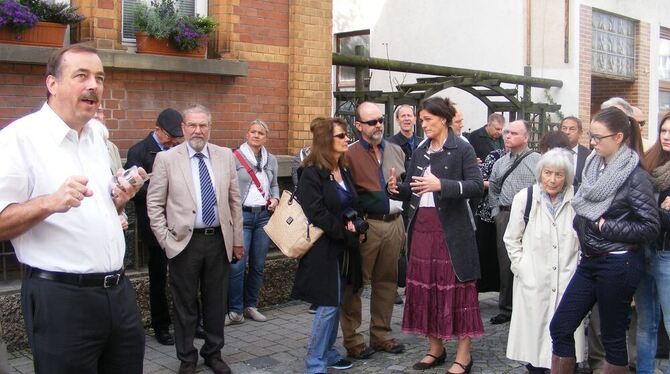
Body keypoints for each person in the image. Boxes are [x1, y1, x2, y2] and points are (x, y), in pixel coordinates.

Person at [0, 44, 147, 373]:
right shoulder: (18, 139)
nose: (93, 85)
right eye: (81, 75)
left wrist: (117, 200)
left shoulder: (95, 135)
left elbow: (89, 208)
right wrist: (50, 202)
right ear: (52, 84)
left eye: (99, 77)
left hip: (118, 293)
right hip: (61, 299)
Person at [549, 107, 660, 374]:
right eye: (592, 135)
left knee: (612, 338)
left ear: (619, 137)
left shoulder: (635, 177)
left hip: (618, 263)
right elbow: (584, 207)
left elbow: (650, 226)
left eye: (599, 137)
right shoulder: (592, 168)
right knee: (561, 326)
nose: (592, 142)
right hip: (590, 260)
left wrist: (607, 226)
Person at [387, 96, 484, 374]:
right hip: (422, 228)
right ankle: (435, 349)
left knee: (458, 291)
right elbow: (413, 188)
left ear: (443, 118)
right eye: (421, 120)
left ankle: (464, 356)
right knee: (424, 288)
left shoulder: (462, 148)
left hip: (452, 231)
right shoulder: (420, 149)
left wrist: (442, 184)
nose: (423, 124)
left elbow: (477, 186)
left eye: (428, 119)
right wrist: (396, 189)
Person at [147, 104, 244, 374]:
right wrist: (166, 239)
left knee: (216, 302)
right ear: (184, 128)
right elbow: (153, 204)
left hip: (217, 241)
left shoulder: (225, 156)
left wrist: (237, 240)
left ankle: (213, 353)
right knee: (185, 304)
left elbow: (234, 201)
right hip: (183, 244)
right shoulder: (167, 159)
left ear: (210, 128)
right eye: (192, 125)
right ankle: (187, 357)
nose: (198, 130)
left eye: (203, 125)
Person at [504, 148, 584, 373]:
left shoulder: (577, 200)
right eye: (548, 173)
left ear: (566, 176)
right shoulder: (525, 198)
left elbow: (584, 242)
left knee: (566, 343)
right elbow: (511, 239)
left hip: (568, 280)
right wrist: (522, 268)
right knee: (535, 342)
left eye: (559, 174)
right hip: (534, 281)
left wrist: (578, 272)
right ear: (540, 173)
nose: (552, 179)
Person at [292, 117, 362, 374]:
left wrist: (354, 220)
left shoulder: (342, 169)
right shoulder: (310, 173)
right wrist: (345, 233)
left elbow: (349, 203)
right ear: (325, 141)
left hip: (343, 248)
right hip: (323, 249)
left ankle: (329, 352)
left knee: (338, 302)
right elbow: (317, 213)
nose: (347, 140)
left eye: (346, 135)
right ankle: (315, 362)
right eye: (341, 136)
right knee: (327, 305)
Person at [341, 101, 406, 359]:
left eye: (380, 120)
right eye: (371, 122)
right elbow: (344, 193)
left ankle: (381, 334)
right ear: (358, 126)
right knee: (356, 285)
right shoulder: (348, 154)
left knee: (388, 283)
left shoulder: (396, 150)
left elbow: (406, 186)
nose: (378, 125)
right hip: (367, 226)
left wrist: (400, 190)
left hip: (394, 224)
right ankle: (353, 339)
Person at [126, 107, 184, 345]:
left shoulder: (179, 150)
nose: (172, 140)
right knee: (159, 276)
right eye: (169, 135)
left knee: (184, 275)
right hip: (154, 225)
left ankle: (189, 321)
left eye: (176, 136)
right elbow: (134, 190)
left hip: (179, 222)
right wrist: (164, 195)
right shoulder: (138, 151)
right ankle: (161, 325)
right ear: (157, 128)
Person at [227, 119, 280, 325]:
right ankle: (234, 310)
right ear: (247, 135)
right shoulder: (235, 157)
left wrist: (275, 199)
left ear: (266, 137)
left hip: (263, 217)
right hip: (242, 216)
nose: (256, 135)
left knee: (258, 264)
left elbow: (274, 184)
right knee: (237, 265)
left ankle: (251, 305)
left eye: (261, 133)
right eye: (253, 132)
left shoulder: (271, 160)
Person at [488, 120, 541, 325]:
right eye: (506, 132)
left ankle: (529, 305)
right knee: (505, 262)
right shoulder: (500, 162)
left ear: (526, 137)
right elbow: (493, 188)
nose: (507, 136)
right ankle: (506, 307)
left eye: (513, 133)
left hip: (530, 216)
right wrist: (496, 212)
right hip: (505, 215)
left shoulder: (537, 161)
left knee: (530, 261)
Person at [635, 112, 670, 374]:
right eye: (664, 131)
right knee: (646, 323)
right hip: (644, 249)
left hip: (668, 254)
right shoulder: (649, 163)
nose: (667, 136)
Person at [474, 146, 506, 293]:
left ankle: (503, 291)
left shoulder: (530, 158)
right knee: (485, 252)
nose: (508, 138)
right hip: (488, 213)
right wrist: (497, 185)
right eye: (507, 134)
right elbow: (479, 180)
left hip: (510, 213)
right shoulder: (495, 156)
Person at [560, 116, 590, 190]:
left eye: (572, 129)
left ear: (580, 133)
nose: (567, 132)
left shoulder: (589, 155)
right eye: (564, 128)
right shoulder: (552, 153)